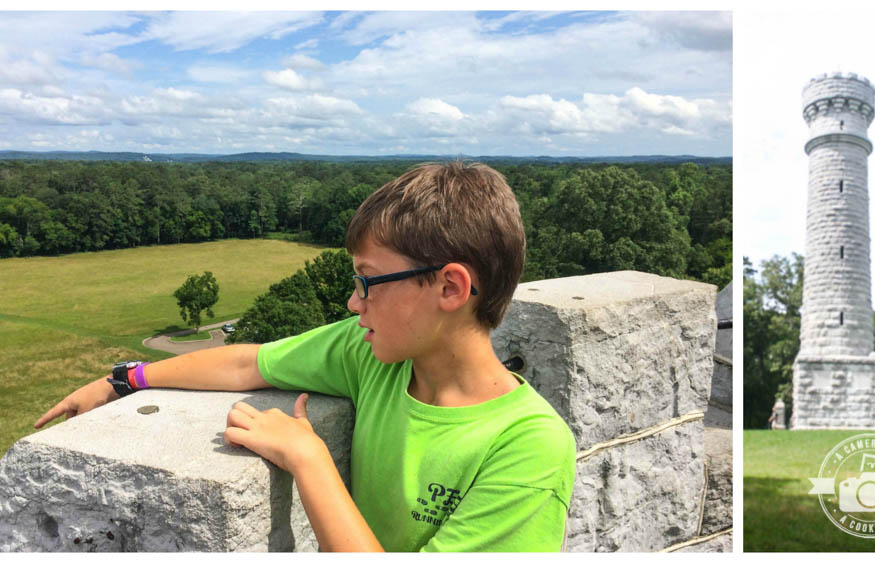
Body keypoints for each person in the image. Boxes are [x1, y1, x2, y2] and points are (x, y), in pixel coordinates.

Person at [34, 162, 577, 552]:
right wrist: (125, 380)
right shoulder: (373, 356)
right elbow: (248, 364)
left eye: (368, 282)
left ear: (450, 287)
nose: (354, 302)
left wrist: (310, 459)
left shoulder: (530, 448)